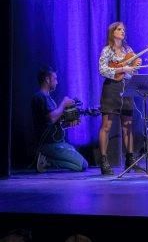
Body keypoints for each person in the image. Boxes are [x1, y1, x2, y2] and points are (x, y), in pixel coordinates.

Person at [97, 22, 139, 175]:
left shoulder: (128, 50)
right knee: (106, 126)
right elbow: (102, 69)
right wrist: (122, 68)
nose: (122, 32)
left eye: (123, 30)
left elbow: (134, 70)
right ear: (112, 32)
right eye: (119, 29)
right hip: (112, 89)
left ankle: (130, 159)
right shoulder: (107, 50)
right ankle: (104, 160)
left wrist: (135, 66)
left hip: (126, 88)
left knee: (127, 125)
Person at [30, 66, 89, 173]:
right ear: (47, 79)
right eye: (55, 78)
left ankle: (47, 160)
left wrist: (67, 124)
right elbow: (52, 118)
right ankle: (47, 160)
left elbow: (53, 124)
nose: (57, 82)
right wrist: (64, 103)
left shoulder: (49, 98)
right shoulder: (39, 97)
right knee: (83, 165)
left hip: (56, 143)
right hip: (48, 144)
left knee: (81, 164)